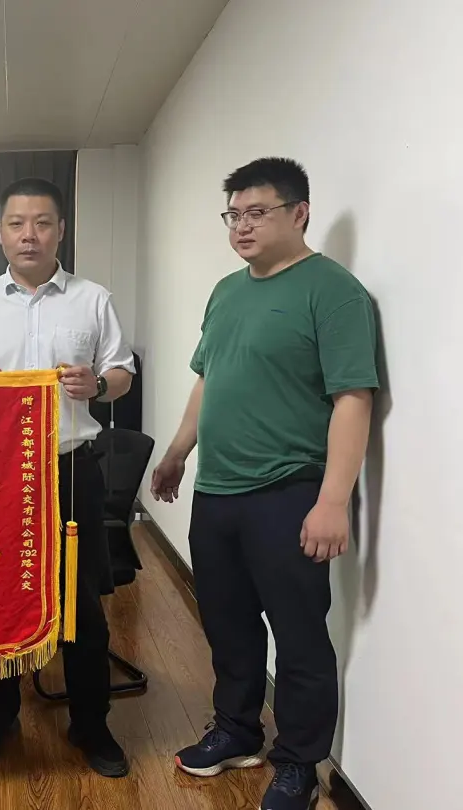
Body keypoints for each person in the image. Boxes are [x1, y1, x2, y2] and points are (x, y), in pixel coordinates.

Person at [150, 157, 378, 810]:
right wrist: (177, 453)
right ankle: (237, 730)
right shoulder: (227, 291)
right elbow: (209, 377)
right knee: (227, 624)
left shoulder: (332, 291)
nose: (242, 226)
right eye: (234, 214)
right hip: (217, 491)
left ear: (299, 213)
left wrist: (333, 500)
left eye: (258, 213)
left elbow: (353, 398)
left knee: (299, 635)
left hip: (289, 492)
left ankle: (300, 763)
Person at [0, 177, 136, 778]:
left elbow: (122, 372)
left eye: (43, 222)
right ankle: (0, 713)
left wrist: (97, 385)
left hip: (70, 470)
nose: (30, 234)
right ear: (0, 233)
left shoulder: (92, 299)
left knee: (81, 605)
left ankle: (90, 722)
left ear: (60, 230)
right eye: (18, 223)